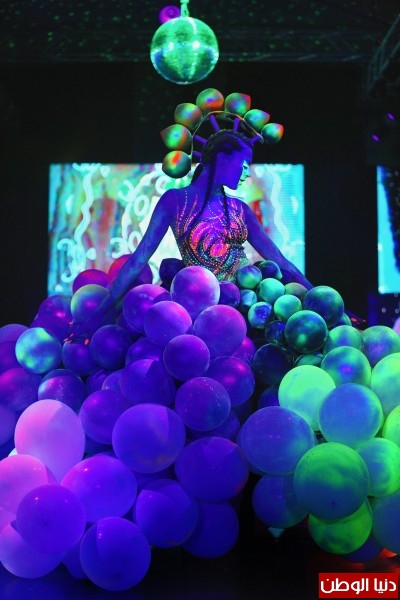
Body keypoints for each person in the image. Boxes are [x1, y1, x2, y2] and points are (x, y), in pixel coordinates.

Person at [69, 128, 312, 340]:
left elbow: (279, 260)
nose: (247, 172)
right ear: (222, 157)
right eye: (244, 163)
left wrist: (316, 296)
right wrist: (97, 316)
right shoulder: (173, 201)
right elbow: (138, 260)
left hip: (249, 312)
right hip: (200, 314)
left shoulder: (240, 209)